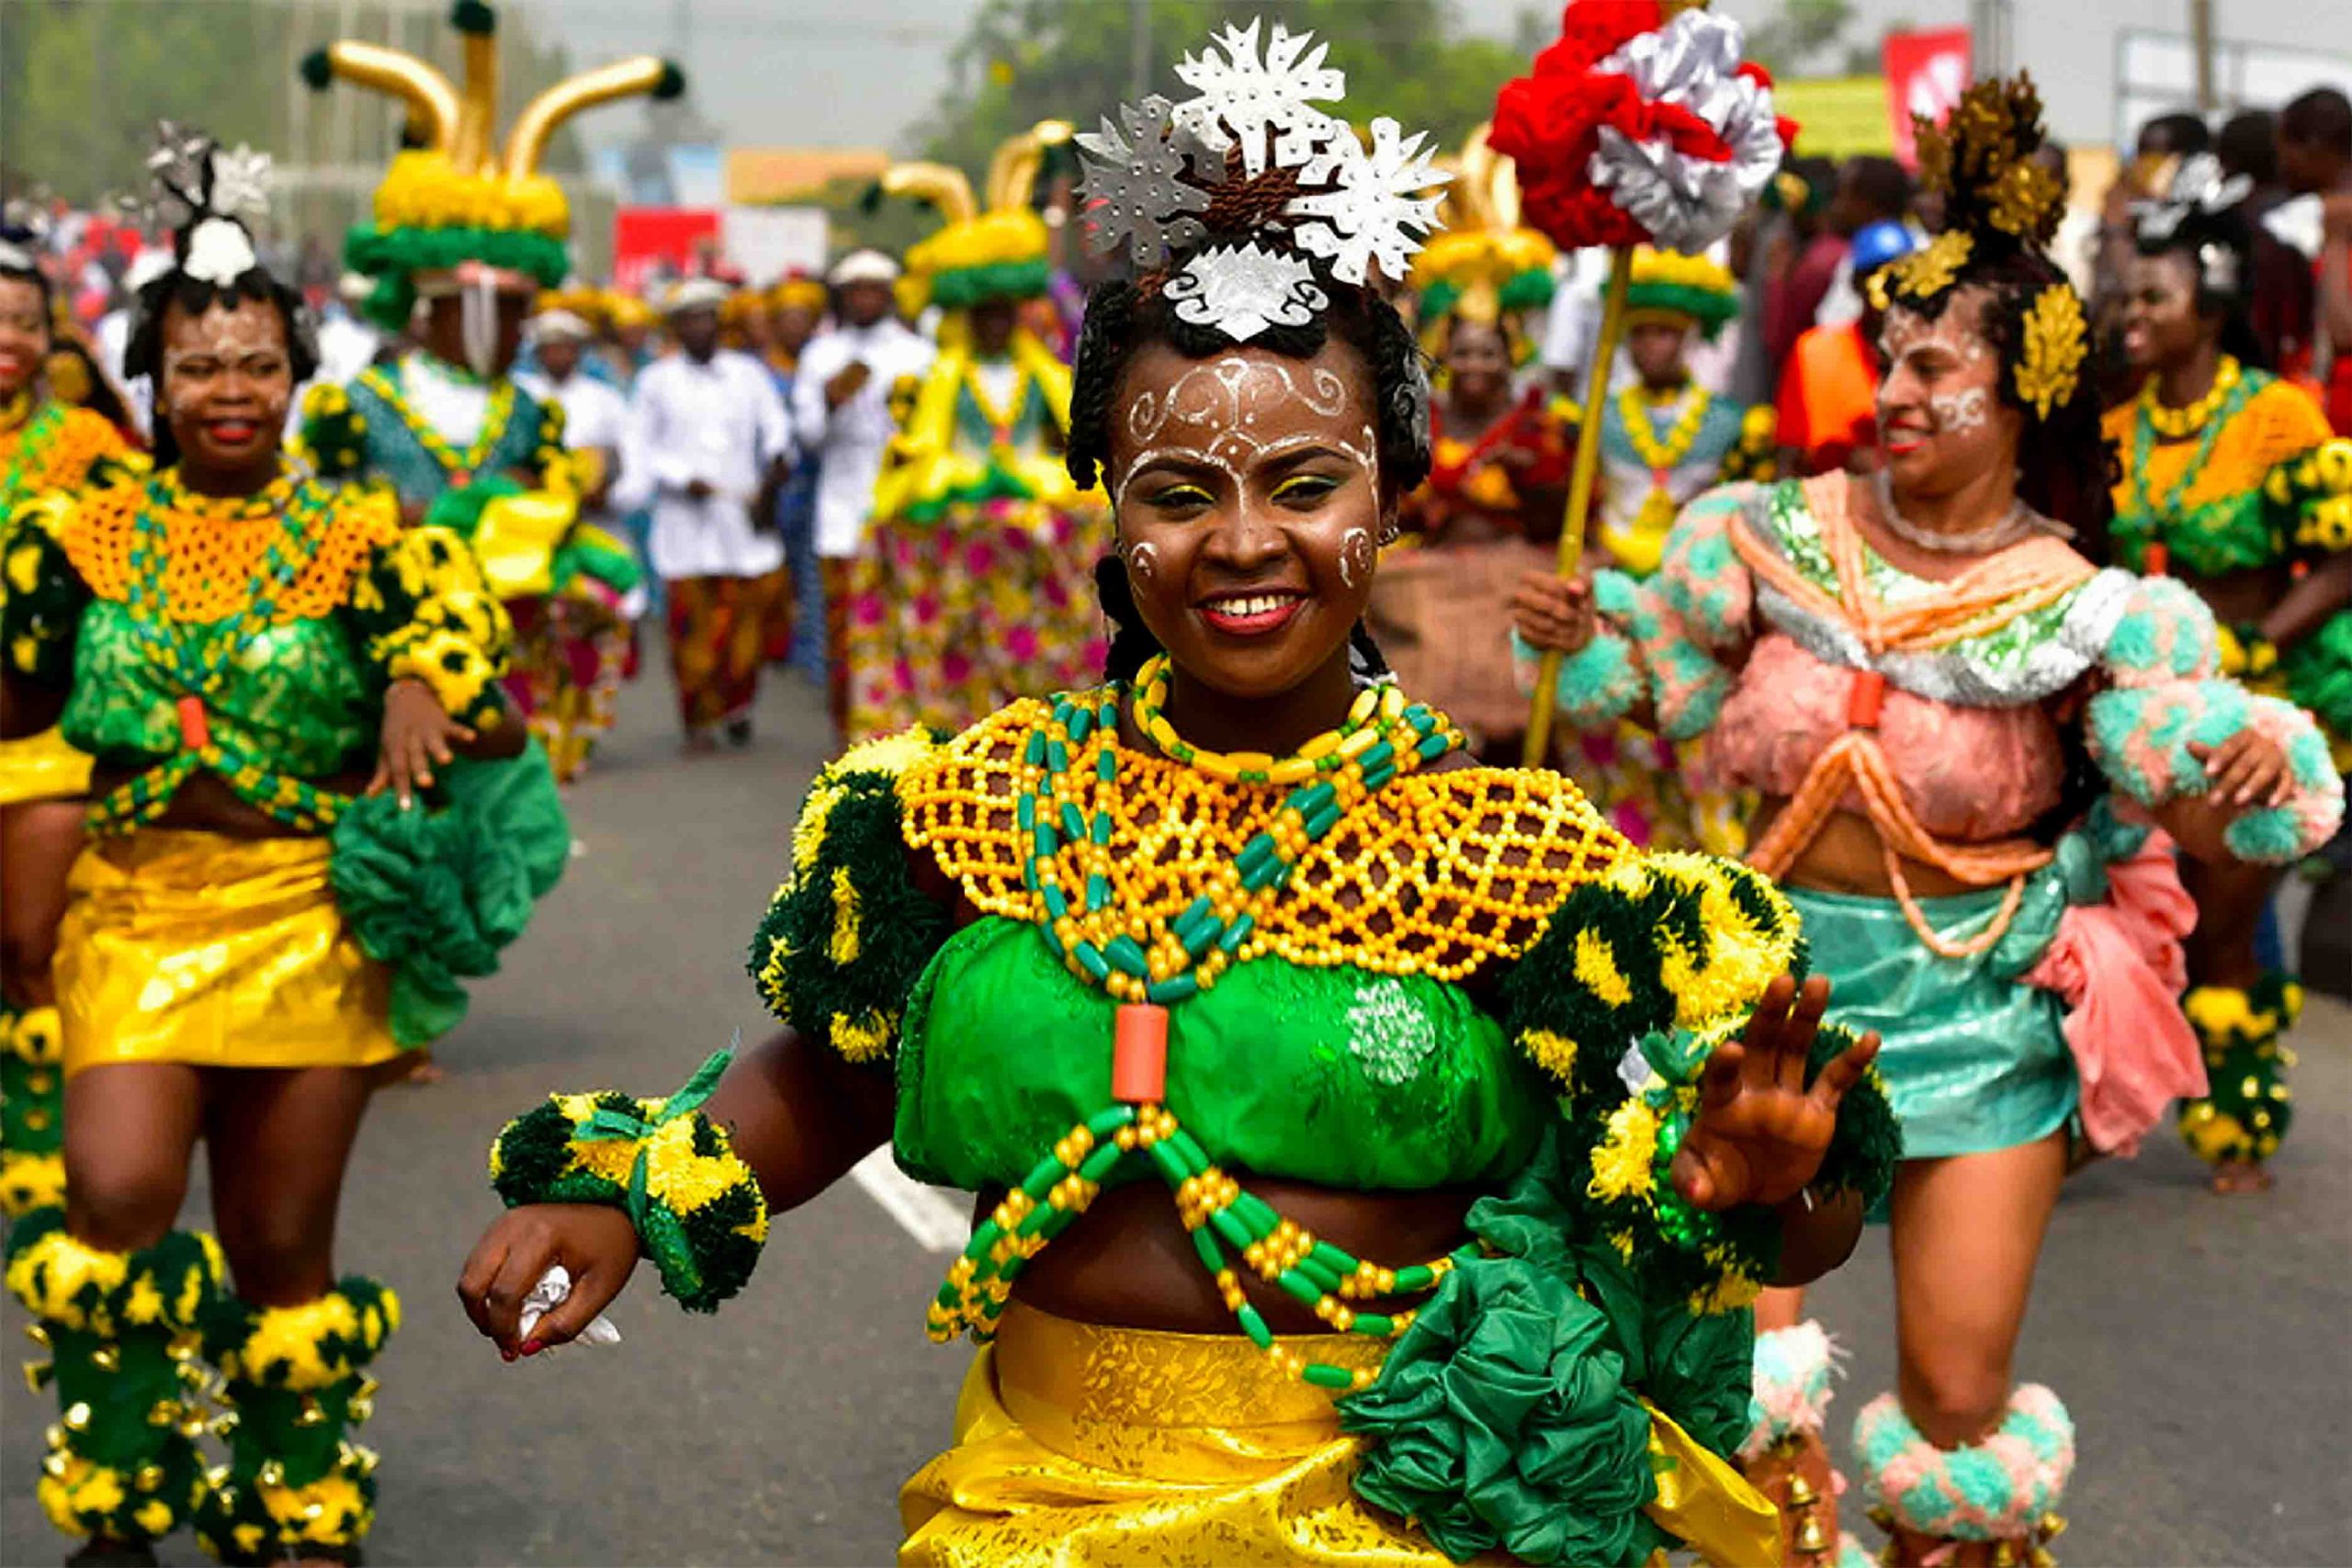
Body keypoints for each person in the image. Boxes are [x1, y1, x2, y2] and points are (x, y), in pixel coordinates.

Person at [458, 23, 1901, 1566]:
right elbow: (837, 1074)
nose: (1241, 543)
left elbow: (1755, 1202)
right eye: (1178, 491)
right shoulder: (981, 805)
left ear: (1391, 498)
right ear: (1111, 506)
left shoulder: (1510, 858)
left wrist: (1761, 1183)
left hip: (1396, 1513)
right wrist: (630, 1194)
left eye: (1302, 484)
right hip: (1036, 1512)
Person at [1515, 76, 2343, 1568]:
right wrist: (1584, 632)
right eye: (1887, 359)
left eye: (1930, 367)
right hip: (1763, 1004)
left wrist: (2243, 783)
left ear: (2022, 386)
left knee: (1958, 1410)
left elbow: (2188, 792)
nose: (1889, 393)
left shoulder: (2097, 616)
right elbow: (1656, 682)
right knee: (1744, 1391)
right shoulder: (1765, 536)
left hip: (1977, 1014)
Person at [1, 129, 567, 1566]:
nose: (229, 389)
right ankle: (124, 1496)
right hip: (131, 909)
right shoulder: (78, 535)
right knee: (115, 1190)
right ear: (152, 379)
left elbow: (489, 718)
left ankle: (293, 1498)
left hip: (307, 917)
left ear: (295, 371)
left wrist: (420, 687)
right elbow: (12, 699)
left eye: (255, 361)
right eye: (198, 365)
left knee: (275, 1243)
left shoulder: (374, 541)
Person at [2105, 152, 2352, 1194]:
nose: (2131, 315)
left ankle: (2237, 1122)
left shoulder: (2278, 416)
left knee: (2227, 922)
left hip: (2255, 703)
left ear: (2206, 304)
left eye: (2152, 297)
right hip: (2137, 708)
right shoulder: (2115, 426)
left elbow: (2342, 557)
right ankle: (2103, 1094)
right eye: (2126, 297)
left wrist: (2251, 653)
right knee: (2132, 904)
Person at [841, 127, 1111, 742]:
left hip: (1029, 501)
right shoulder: (937, 378)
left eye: (1003, 313)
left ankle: (1057, 701)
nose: (993, 325)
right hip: (957, 497)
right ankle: (952, 710)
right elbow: (919, 447)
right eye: (982, 314)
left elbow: (1072, 443)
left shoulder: (1044, 374)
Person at [0, 209, 140, 1222]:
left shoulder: (85, 444)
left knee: (30, 944)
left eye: (21, 321)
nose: (6, 339)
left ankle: (36, 1133)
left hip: (44, 744)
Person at [1542, 247, 1772, 857]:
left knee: (1700, 733)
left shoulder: (1731, 425)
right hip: (1617, 588)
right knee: (1607, 731)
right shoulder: (1598, 418)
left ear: (1692, 336)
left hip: (1696, 599)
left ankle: (1718, 851)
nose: (1653, 348)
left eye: (1666, 335)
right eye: (1640, 334)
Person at [1368, 126, 1569, 762]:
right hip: (1434, 567)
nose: (1475, 364)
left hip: (1516, 564)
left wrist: (1531, 476)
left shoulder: (1541, 421)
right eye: (1463, 352)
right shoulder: (1419, 415)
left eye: (1489, 352)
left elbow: (1567, 511)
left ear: (1511, 359)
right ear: (1445, 355)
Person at [616, 277, 796, 750]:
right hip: (685, 527)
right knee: (691, 632)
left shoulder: (747, 373)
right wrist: (679, 477)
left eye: (708, 318)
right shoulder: (656, 381)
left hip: (742, 519)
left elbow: (776, 424)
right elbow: (641, 444)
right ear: (676, 328)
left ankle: (737, 707)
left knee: (746, 631)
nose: (700, 327)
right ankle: (698, 721)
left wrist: (776, 460)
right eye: (690, 319)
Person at [790, 249, 934, 733]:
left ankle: (904, 730)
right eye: (855, 291)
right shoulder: (821, 354)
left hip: (902, 510)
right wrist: (830, 402)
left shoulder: (918, 353)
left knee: (903, 625)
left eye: (873, 289)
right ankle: (849, 731)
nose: (864, 299)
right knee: (843, 631)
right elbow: (806, 437)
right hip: (840, 514)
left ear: (889, 294)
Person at [514, 306, 643, 781]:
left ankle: (585, 731)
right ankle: (546, 734)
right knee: (544, 641)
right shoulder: (521, 400)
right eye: (549, 347)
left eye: (567, 346)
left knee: (599, 637)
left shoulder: (606, 400)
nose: (558, 355)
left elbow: (635, 465)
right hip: (537, 543)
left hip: (597, 539)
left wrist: (605, 494)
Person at [1775, 219, 1918, 476]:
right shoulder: (1815, 351)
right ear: (1855, 281)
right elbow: (1791, 455)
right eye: (1875, 275)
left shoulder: (1931, 360)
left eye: (1899, 276)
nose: (1886, 288)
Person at [1764, 157, 1910, 371]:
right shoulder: (1841, 258)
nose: (1836, 206)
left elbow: (1778, 340)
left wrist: (1777, 278)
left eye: (1844, 194)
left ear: (1868, 202)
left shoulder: (1826, 261)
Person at [764, 273, 830, 681]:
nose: (795, 327)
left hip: (817, 484)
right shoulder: (759, 371)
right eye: (786, 318)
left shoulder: (823, 363)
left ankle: (812, 653)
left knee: (812, 572)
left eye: (802, 318)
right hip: (776, 488)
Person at [2277, 88, 2352, 434]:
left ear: (2315, 146)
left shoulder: (2322, 218)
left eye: (2286, 148)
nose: (2281, 162)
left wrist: (2335, 240)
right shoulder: (2306, 214)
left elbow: (2343, 330)